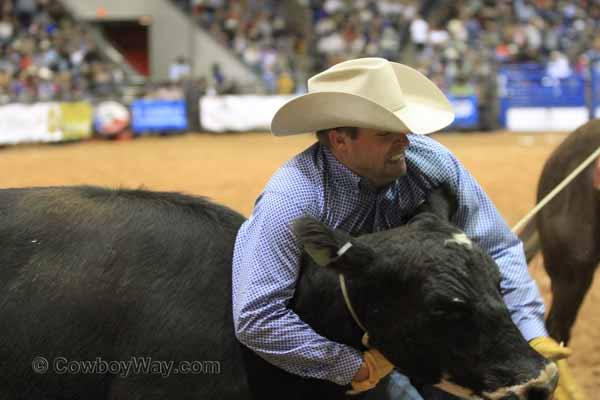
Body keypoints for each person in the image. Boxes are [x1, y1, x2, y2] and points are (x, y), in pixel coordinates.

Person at [232, 57, 583, 399]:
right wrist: (352, 366)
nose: (405, 140)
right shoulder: (291, 201)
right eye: (387, 132)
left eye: (403, 126)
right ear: (340, 140)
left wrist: (530, 330)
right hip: (340, 349)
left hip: (424, 332)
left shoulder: (430, 161)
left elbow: (495, 246)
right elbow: (258, 317)